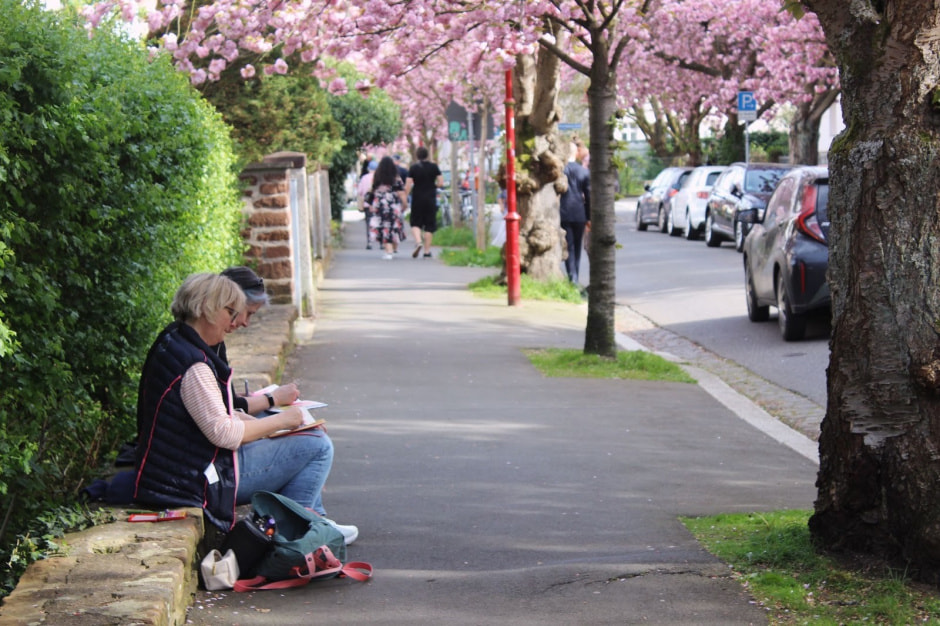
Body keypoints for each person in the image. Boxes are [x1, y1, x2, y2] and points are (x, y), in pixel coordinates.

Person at [134, 273, 357, 543]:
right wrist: (284, 421)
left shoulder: (175, 340)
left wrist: (278, 424)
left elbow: (211, 416)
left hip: (176, 474)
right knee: (317, 446)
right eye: (231, 312)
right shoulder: (195, 366)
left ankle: (311, 523)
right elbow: (224, 434)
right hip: (194, 482)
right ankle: (301, 530)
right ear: (206, 307)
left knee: (305, 439)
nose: (235, 323)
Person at [219, 266, 299, 414]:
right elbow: (228, 411)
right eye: (248, 313)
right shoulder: (203, 350)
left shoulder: (208, 344)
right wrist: (273, 398)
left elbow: (225, 403)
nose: (245, 323)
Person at [559, 142, 591, 284]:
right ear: (576, 153)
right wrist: (589, 217)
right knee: (576, 247)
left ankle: (572, 276)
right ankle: (575, 276)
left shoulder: (560, 170)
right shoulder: (583, 172)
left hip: (562, 212)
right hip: (579, 213)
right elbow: (589, 196)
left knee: (568, 245)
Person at [365, 156, 407, 260]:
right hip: (393, 205)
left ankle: (388, 251)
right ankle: (391, 249)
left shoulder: (377, 177)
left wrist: (370, 204)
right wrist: (405, 204)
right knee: (393, 227)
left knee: (383, 227)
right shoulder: (396, 178)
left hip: (379, 205)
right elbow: (401, 193)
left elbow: (372, 190)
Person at [405, 146, 443, 258]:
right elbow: (441, 182)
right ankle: (427, 251)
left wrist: (405, 197)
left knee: (415, 222)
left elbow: (408, 185)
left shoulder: (413, 168)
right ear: (427, 155)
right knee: (429, 225)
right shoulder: (434, 167)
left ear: (417, 155)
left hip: (417, 197)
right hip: (430, 197)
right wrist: (434, 186)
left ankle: (418, 242)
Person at [357, 160, 378, 250]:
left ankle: (369, 242)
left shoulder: (364, 178)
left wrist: (360, 204)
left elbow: (360, 192)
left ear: (369, 169)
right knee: (378, 222)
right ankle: (380, 242)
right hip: (377, 204)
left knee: (368, 223)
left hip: (367, 204)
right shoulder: (379, 177)